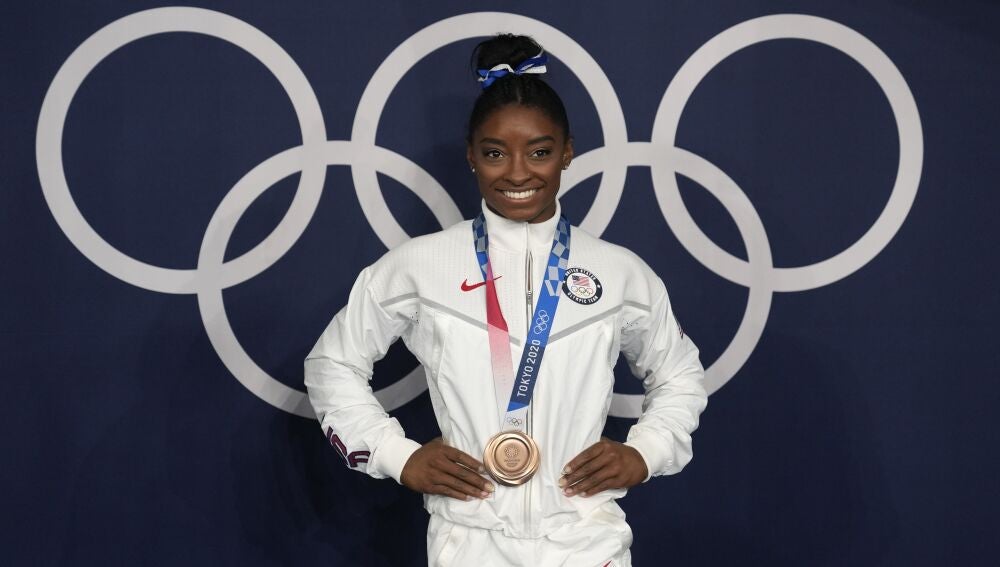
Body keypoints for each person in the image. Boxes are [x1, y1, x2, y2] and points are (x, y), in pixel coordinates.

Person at [305, 33, 707, 566]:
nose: (518, 173)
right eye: (495, 153)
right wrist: (394, 455)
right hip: (468, 541)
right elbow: (331, 365)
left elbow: (680, 375)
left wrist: (645, 452)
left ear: (567, 153)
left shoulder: (619, 272)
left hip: (588, 541)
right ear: (471, 157)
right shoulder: (419, 266)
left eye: (539, 152)